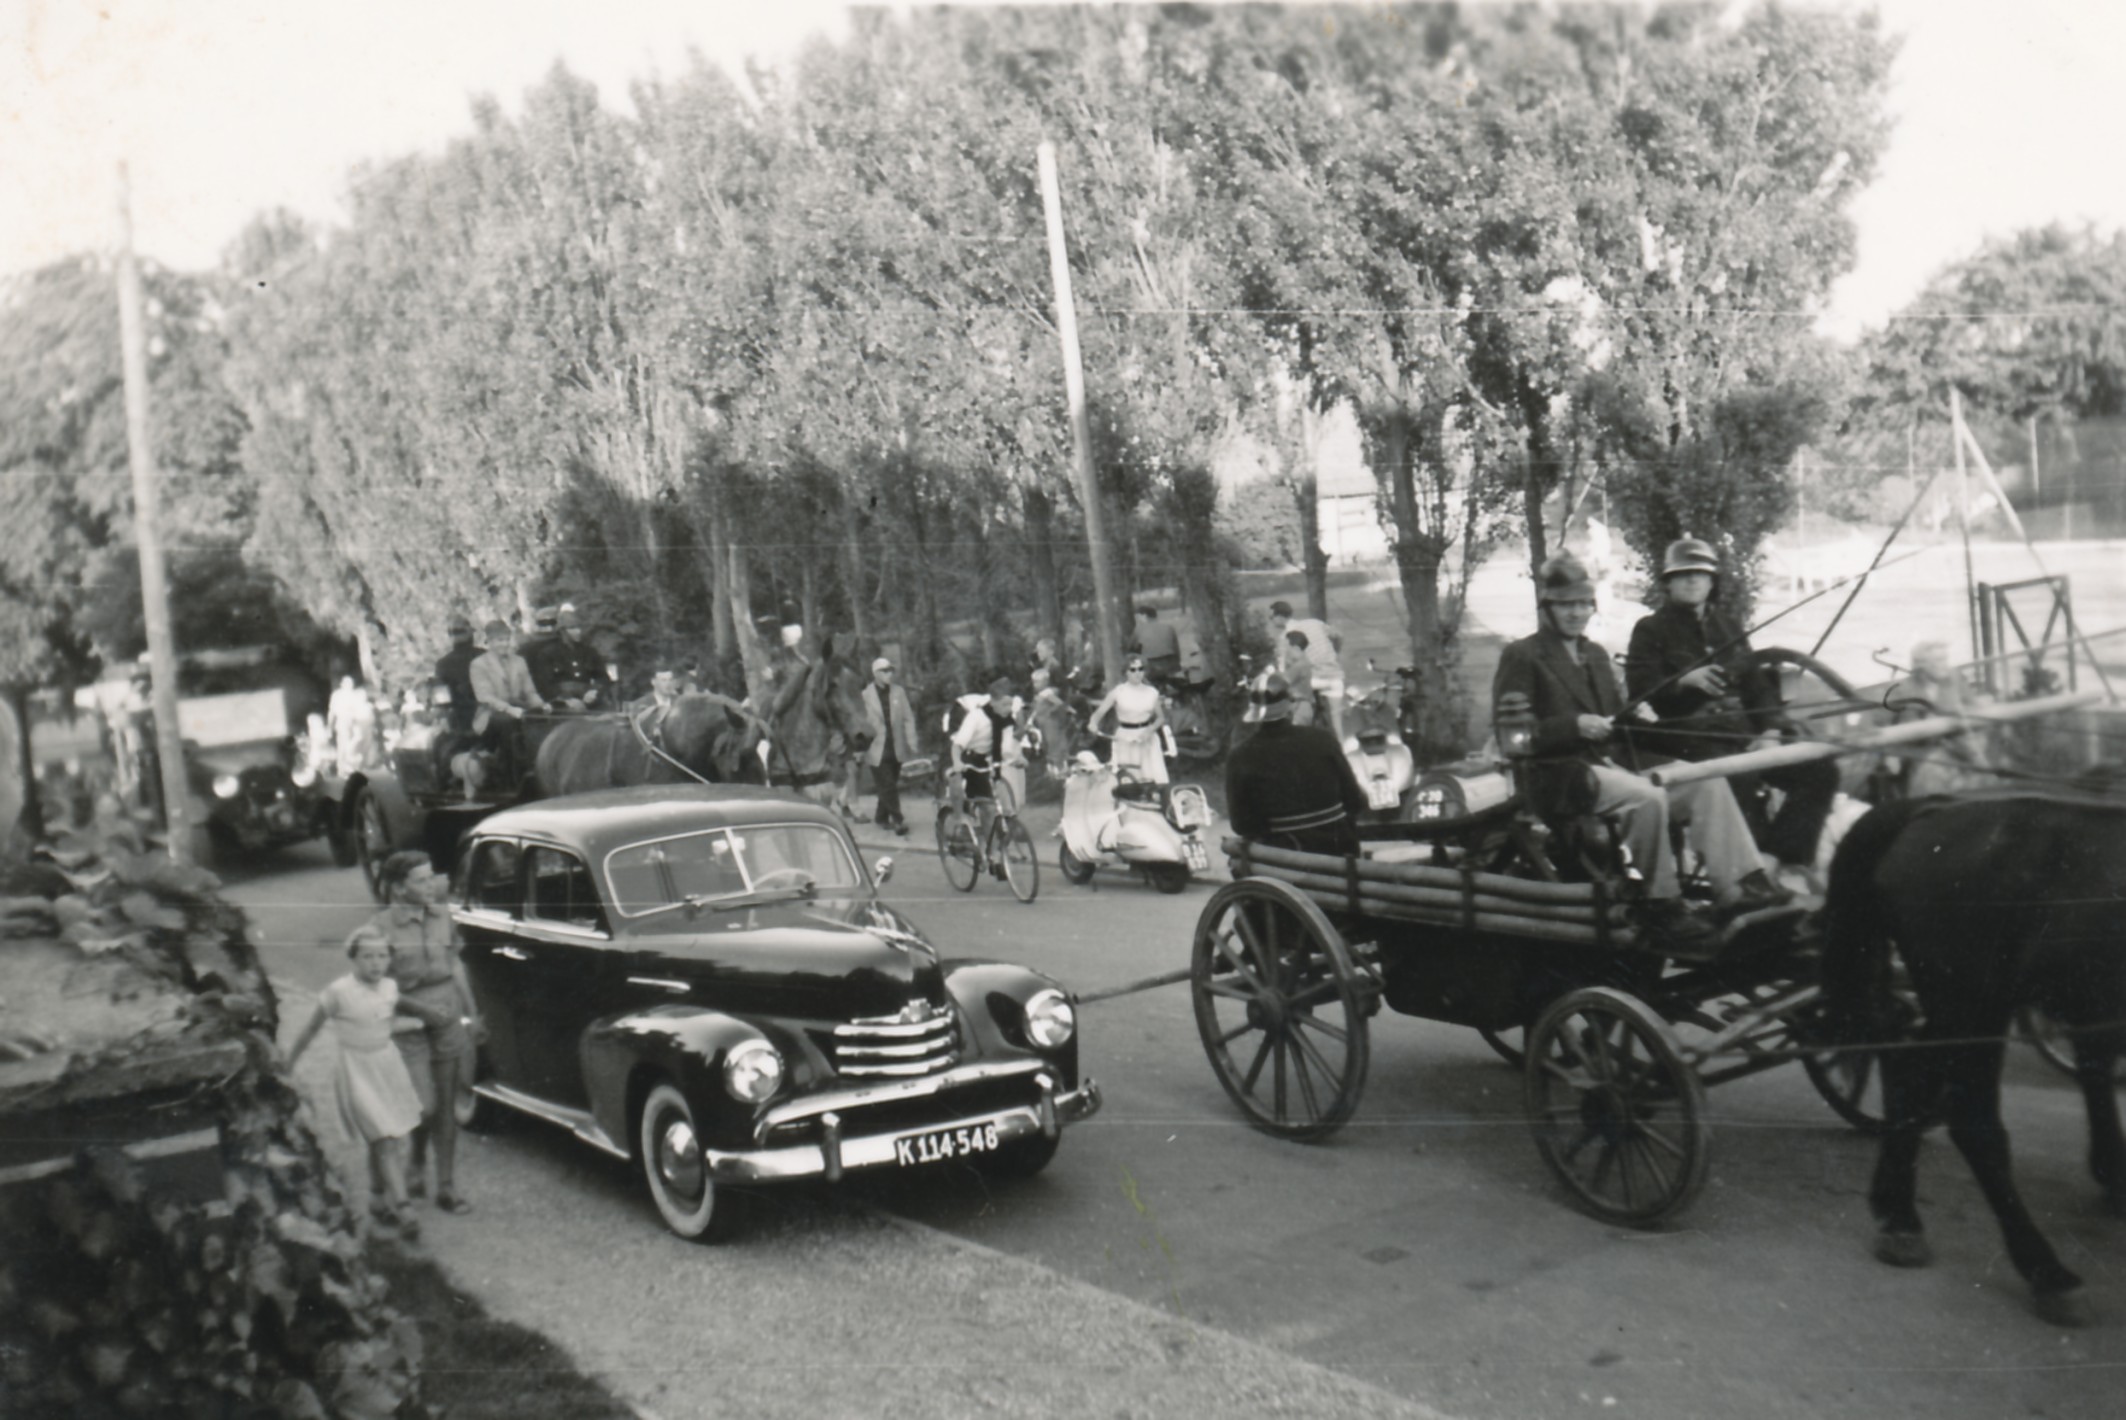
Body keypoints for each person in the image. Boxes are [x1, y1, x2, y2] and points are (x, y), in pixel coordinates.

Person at [1494, 553, 1786, 950]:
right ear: (1547, 607)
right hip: (1557, 775)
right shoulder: (1523, 655)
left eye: (1583, 604)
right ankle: (1661, 905)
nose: (1577, 613)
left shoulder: (1595, 654)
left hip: (1609, 763)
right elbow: (1513, 739)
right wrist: (1572, 726)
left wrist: (1643, 724)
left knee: (1705, 780)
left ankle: (1740, 887)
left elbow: (1618, 722)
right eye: (1566, 605)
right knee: (1645, 798)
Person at [1625, 537, 1839, 869]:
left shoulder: (1728, 626)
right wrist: (1684, 682)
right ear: (1668, 583)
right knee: (1737, 778)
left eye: (1700, 573)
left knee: (1819, 769)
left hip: (1743, 735)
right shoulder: (1651, 629)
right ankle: (1747, 874)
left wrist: (1769, 730)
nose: (1693, 580)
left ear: (1713, 581)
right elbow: (1639, 689)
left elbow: (1756, 684)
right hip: (1687, 740)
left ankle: (1781, 858)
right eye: (1683, 574)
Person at [287, 925, 429, 1238]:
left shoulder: (390, 988)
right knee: (383, 1138)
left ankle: (377, 1199)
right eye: (367, 957)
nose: (376, 963)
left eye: (381, 956)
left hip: (386, 1066)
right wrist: (287, 1064)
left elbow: (385, 1022)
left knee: (384, 1135)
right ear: (353, 958)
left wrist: (415, 1023)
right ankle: (405, 1208)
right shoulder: (339, 992)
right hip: (355, 1070)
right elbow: (309, 1030)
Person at [365, 852, 479, 1215]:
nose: (432, 885)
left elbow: (455, 963)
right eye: (422, 880)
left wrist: (471, 1011)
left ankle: (446, 1186)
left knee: (444, 1105)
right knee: (420, 1105)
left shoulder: (442, 915)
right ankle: (403, 1169)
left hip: (446, 1013)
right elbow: (379, 986)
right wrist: (423, 1011)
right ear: (399, 888)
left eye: (432, 878)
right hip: (407, 1021)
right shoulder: (380, 928)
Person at [1226, 671, 1368, 856]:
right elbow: (1355, 802)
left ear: (1254, 713)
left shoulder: (1240, 755)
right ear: (1290, 708)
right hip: (1339, 848)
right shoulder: (1323, 739)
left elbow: (1242, 825)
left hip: (1284, 856)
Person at [1891, 640, 1993, 795]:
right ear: (1921, 665)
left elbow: (1971, 703)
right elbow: (1907, 729)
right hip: (1927, 750)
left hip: (1961, 742)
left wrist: (1980, 705)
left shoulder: (1954, 677)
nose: (1946, 664)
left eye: (1946, 659)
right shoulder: (1906, 689)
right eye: (1940, 660)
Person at [467, 618, 547, 797]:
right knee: (507, 724)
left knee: (542, 721)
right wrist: (509, 709)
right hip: (491, 714)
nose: (503, 644)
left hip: (520, 709)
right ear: (489, 642)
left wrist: (542, 705)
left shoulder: (519, 661)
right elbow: (485, 696)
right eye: (498, 640)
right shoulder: (479, 665)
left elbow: (529, 690)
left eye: (505, 639)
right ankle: (511, 779)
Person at [950, 675, 1023, 834]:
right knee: (956, 780)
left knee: (988, 807)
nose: (1008, 709)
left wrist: (1018, 758)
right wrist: (956, 762)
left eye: (1010, 704)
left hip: (983, 760)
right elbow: (957, 746)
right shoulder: (976, 717)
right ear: (993, 702)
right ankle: (959, 821)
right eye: (1004, 704)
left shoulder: (1004, 720)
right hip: (966, 754)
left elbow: (1008, 745)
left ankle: (987, 847)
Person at [1268, 600, 1346, 739]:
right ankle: (1341, 748)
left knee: (1295, 700)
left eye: (1271, 617)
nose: (1271, 621)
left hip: (1313, 679)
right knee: (1337, 718)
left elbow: (1283, 668)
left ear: (1279, 616)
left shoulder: (1286, 637)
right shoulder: (1315, 623)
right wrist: (1335, 653)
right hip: (1335, 676)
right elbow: (1338, 636)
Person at [861, 655, 919, 837]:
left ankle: (880, 817)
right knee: (887, 785)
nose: (889, 674)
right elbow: (861, 722)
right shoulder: (865, 695)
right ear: (876, 673)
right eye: (885, 671)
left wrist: (912, 741)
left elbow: (908, 718)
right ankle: (898, 820)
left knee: (889, 783)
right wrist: (859, 746)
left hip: (896, 745)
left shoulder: (898, 692)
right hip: (876, 746)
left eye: (890, 670)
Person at [1088, 656, 1168, 784]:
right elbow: (1098, 713)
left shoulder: (1152, 692)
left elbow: (1161, 718)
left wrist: (1150, 730)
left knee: (1153, 778)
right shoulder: (1118, 692)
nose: (1137, 673)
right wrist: (1093, 723)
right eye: (1133, 669)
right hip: (1125, 738)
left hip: (1147, 738)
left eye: (1141, 669)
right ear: (1126, 671)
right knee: (1129, 778)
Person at [535, 604, 612, 712]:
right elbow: (545, 685)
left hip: (587, 697)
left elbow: (603, 677)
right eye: (572, 628)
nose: (578, 631)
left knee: (609, 714)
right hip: (560, 702)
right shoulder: (548, 653)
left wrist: (594, 691)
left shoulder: (589, 651)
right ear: (563, 631)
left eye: (579, 627)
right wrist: (567, 699)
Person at [433, 614, 482, 737]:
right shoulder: (486, 656)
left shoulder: (442, 664)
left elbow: (441, 701)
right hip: (491, 718)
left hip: (460, 723)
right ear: (470, 634)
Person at [1131, 606, 1183, 687]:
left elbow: (1131, 649)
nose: (1138, 620)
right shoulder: (1169, 627)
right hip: (1171, 662)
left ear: (1144, 616)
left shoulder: (1139, 629)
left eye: (1138, 617)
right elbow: (1176, 649)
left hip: (1151, 665)